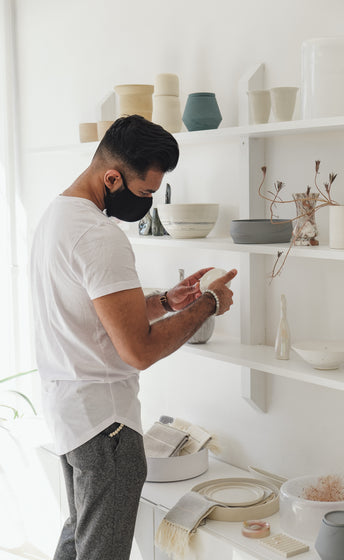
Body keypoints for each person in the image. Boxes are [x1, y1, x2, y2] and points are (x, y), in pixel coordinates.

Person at [30, 115, 237, 560]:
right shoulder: (99, 235)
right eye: (145, 193)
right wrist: (211, 304)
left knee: (80, 534)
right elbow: (139, 350)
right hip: (108, 429)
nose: (147, 204)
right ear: (112, 177)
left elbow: (90, 310)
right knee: (100, 550)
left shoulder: (57, 216)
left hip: (71, 416)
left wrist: (165, 301)